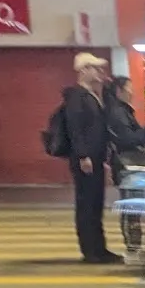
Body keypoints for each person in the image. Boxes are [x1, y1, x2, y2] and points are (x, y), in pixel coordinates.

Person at [56, 52, 119, 264]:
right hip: (86, 160)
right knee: (87, 205)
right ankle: (90, 251)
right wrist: (83, 156)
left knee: (96, 204)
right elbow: (76, 129)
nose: (100, 72)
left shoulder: (93, 95)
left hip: (96, 158)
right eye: (95, 68)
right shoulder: (77, 97)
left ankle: (100, 248)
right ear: (83, 71)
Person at [102, 76, 145, 185]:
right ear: (119, 90)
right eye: (129, 88)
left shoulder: (121, 110)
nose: (132, 93)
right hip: (126, 162)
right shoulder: (118, 112)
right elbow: (128, 139)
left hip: (125, 162)